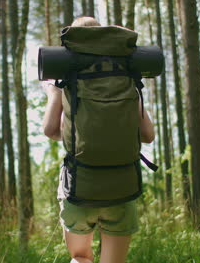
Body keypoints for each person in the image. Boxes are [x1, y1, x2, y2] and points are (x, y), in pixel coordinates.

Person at [42, 16, 155, 263]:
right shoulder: (125, 77)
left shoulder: (70, 77)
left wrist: (54, 93)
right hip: (122, 187)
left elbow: (50, 130)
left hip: (80, 187)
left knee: (81, 257)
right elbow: (148, 135)